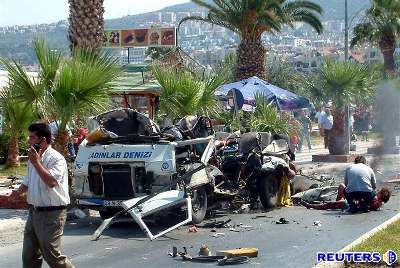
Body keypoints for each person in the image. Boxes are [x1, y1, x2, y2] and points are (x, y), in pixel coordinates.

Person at [9, 123, 74, 268]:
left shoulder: (56, 158)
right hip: (34, 212)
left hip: (52, 213)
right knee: (29, 255)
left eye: (32, 137)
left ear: (43, 140)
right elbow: (28, 181)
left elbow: (51, 182)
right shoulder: (34, 157)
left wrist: (37, 162)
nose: (28, 140)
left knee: (51, 255)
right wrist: (17, 192)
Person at [301, 183, 391, 211]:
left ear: (381, 195)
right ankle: (338, 202)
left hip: (354, 204)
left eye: (379, 192)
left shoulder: (375, 201)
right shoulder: (377, 201)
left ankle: (311, 206)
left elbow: (362, 204)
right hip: (355, 200)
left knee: (333, 204)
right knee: (341, 186)